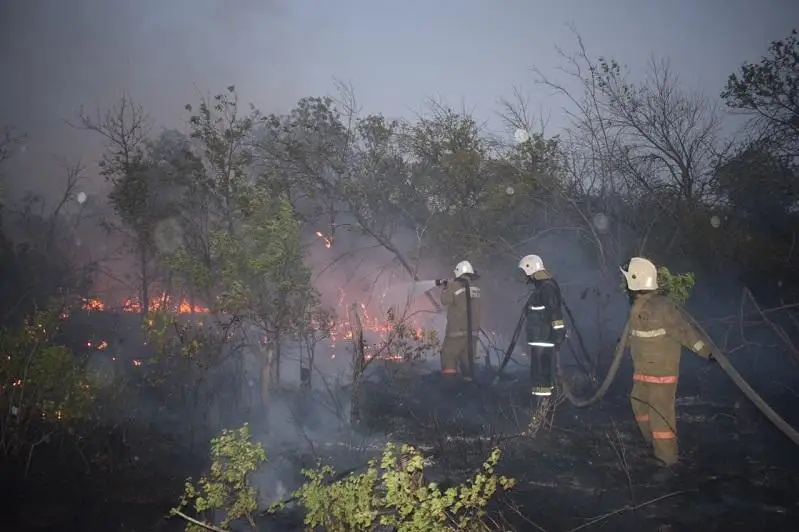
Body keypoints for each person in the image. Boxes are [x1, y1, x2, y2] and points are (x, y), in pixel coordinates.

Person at [620, 257, 713, 469]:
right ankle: (653, 446)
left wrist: (707, 352)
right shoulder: (637, 308)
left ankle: (667, 462)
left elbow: (686, 333)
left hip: (662, 375)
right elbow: (632, 335)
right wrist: (620, 347)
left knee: (661, 418)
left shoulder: (664, 308)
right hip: (642, 372)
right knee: (638, 405)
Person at [518, 254, 567, 397]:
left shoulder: (547, 288)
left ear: (530, 269)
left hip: (544, 340)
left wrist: (558, 334)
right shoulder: (542, 287)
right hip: (541, 339)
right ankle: (544, 409)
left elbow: (555, 312)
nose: (525, 276)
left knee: (541, 380)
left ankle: (542, 412)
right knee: (540, 377)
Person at [437, 260, 482, 381]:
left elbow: (445, 300)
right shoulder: (475, 288)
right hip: (472, 333)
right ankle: (468, 389)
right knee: (468, 361)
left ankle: (449, 386)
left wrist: (446, 287)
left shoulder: (455, 285)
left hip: (456, 332)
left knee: (449, 357)